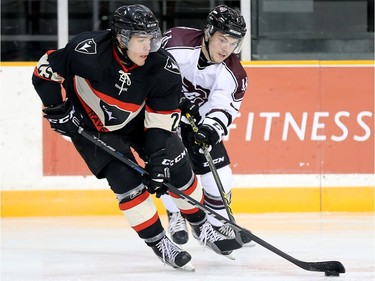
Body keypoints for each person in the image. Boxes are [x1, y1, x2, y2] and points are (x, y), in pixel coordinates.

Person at [32, 4, 242, 271]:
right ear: (121, 38)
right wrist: (56, 109)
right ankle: (159, 242)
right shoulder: (88, 50)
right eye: (141, 40)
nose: (148, 47)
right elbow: (44, 71)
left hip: (139, 119)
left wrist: (156, 160)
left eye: (152, 39)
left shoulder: (163, 65)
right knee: (127, 182)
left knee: (176, 165)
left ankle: (200, 225)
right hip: (92, 127)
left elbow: (161, 120)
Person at [160, 4, 252, 245]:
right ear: (209, 32)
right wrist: (174, 99)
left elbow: (224, 107)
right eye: (223, 40)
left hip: (197, 122)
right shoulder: (175, 41)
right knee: (171, 166)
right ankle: (176, 213)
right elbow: (150, 73)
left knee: (221, 175)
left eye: (233, 43)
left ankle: (220, 223)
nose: (227, 48)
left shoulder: (235, 74)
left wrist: (209, 130)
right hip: (162, 114)